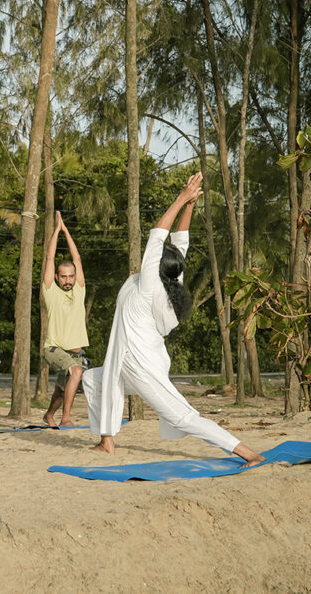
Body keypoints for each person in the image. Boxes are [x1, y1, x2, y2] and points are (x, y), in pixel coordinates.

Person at [82, 173, 264, 466]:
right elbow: (180, 242)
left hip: (141, 365)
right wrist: (190, 204)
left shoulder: (149, 285)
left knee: (182, 416)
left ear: (157, 264)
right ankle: (107, 441)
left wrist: (181, 197)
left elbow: (158, 235)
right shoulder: (171, 279)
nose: (164, 247)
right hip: (130, 360)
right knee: (92, 379)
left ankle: (247, 453)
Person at [41, 211, 89, 428]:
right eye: (64, 276)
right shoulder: (51, 292)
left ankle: (49, 415)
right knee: (76, 372)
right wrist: (56, 231)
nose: (68, 280)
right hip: (54, 349)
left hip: (75, 352)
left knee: (61, 390)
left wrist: (66, 231)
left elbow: (77, 259)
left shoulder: (79, 290)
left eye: (71, 276)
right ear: (57, 277)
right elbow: (49, 258)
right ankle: (66, 418)